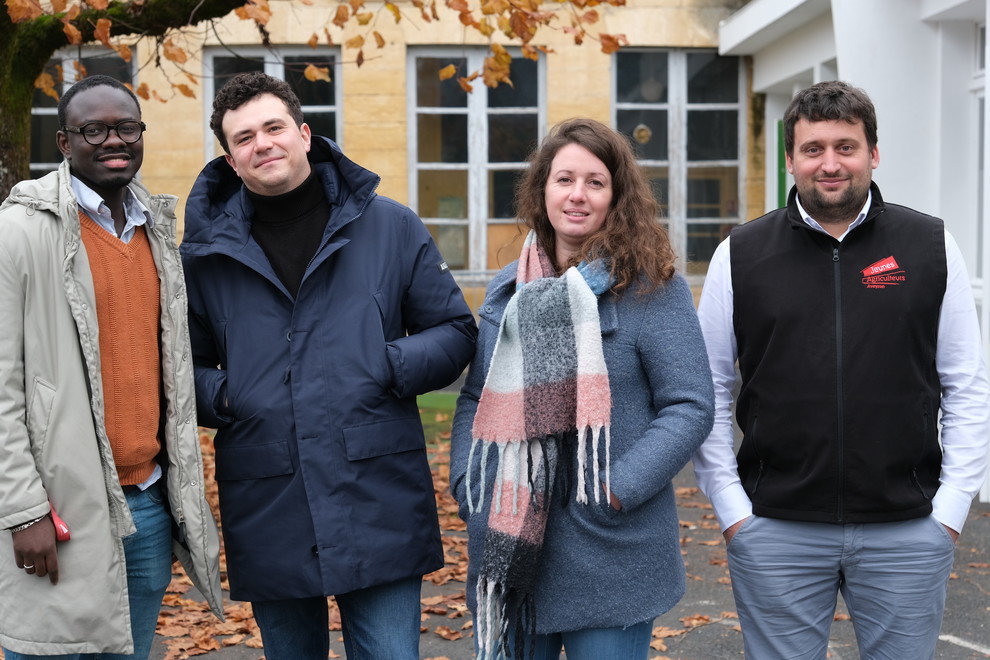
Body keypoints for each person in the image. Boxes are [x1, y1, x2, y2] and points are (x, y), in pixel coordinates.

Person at [180, 71, 477, 660]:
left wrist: (389, 364)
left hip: (377, 494)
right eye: (244, 138)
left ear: (305, 134)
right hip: (269, 500)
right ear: (231, 159)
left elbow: (455, 332)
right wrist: (229, 395)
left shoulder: (389, 226)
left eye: (274, 127)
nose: (262, 143)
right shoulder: (204, 256)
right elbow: (182, 367)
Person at [693, 80, 990, 659]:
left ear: (873, 153)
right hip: (775, 529)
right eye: (813, 148)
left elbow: (966, 384)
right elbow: (706, 386)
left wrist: (951, 509)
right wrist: (732, 510)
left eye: (846, 147)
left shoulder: (929, 245)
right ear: (791, 158)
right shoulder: (742, 253)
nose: (830, 164)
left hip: (906, 529)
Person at [450, 117, 716, 660]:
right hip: (513, 542)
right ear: (542, 189)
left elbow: (689, 405)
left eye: (595, 182)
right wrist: (466, 480)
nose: (578, 195)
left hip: (610, 547)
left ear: (617, 195)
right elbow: (476, 397)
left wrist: (615, 490)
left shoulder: (651, 287)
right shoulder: (510, 291)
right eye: (564, 179)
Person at [0, 74, 223, 658]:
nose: (112, 140)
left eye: (126, 127)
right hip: (59, 508)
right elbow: (3, 390)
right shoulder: (19, 233)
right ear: (64, 143)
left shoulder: (156, 232)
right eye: (93, 129)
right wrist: (24, 512)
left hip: (147, 502)